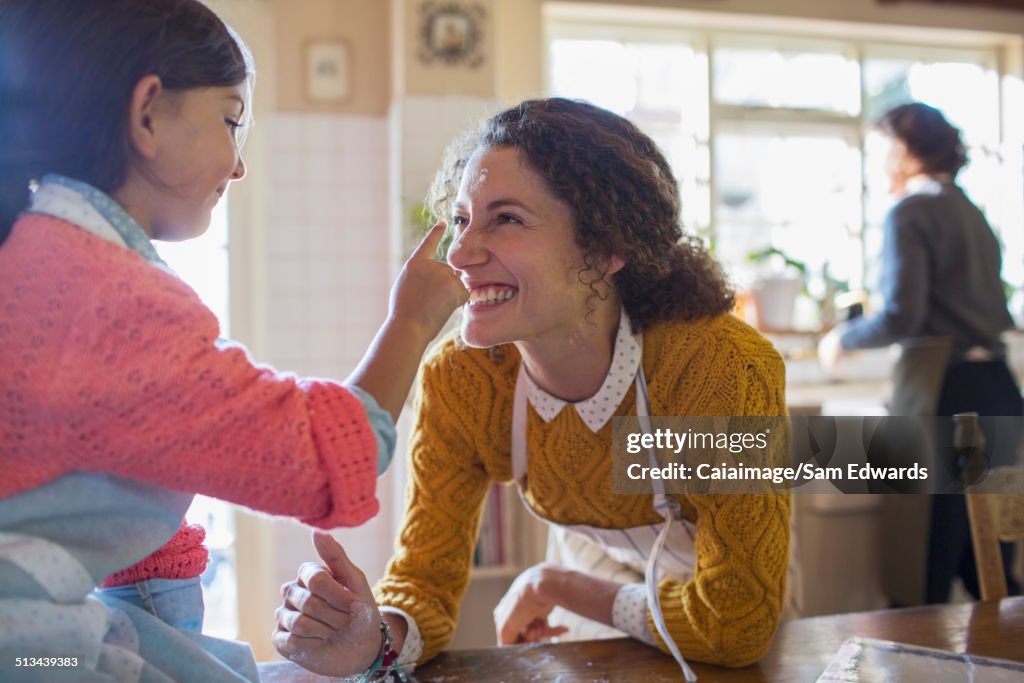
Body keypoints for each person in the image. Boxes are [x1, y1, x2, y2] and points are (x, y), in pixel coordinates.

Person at [0, 0, 466, 680]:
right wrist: (412, 321)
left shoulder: (35, 255)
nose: (239, 164)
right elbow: (337, 461)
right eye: (229, 119)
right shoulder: (111, 299)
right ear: (148, 113)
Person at [274, 98, 795, 679]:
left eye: (507, 219)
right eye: (465, 220)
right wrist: (375, 635)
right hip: (580, 617)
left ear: (604, 249)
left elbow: (735, 622)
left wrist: (555, 584)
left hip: (716, 615)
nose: (460, 254)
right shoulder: (463, 381)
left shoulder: (712, 369)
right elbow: (425, 578)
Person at [819, 102, 1022, 604]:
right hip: (999, 387)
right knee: (989, 564)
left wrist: (840, 339)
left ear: (905, 151)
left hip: (944, 392)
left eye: (883, 148)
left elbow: (900, 315)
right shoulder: (971, 211)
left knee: (923, 560)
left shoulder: (910, 210)